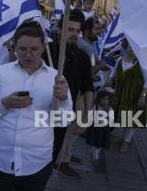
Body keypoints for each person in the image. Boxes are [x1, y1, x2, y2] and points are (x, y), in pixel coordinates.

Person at [0, 22, 72, 191]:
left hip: (36, 164)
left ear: (43, 47)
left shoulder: (56, 79)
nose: (28, 54)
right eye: (22, 49)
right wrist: (3, 104)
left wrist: (63, 98)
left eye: (34, 49)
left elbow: (63, 122)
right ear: (14, 47)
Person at [48, 11, 94, 178]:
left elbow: (88, 88)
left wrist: (87, 116)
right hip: (40, 116)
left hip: (63, 118)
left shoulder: (82, 57)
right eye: (70, 29)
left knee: (52, 158)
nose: (75, 34)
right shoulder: (47, 51)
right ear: (59, 30)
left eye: (77, 31)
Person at [109, 39, 147, 153]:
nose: (132, 50)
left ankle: (127, 141)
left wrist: (143, 96)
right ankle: (124, 138)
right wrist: (108, 83)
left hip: (134, 96)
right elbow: (113, 76)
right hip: (120, 95)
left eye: (135, 48)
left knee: (132, 120)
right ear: (126, 47)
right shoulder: (119, 60)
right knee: (123, 119)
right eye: (130, 47)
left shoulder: (142, 64)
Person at [85, 90, 114, 173]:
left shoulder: (109, 109)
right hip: (95, 129)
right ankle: (95, 157)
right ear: (99, 99)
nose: (105, 101)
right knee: (95, 145)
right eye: (103, 99)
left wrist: (108, 114)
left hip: (104, 130)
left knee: (101, 145)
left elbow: (111, 120)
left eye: (107, 99)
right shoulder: (95, 107)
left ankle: (96, 155)